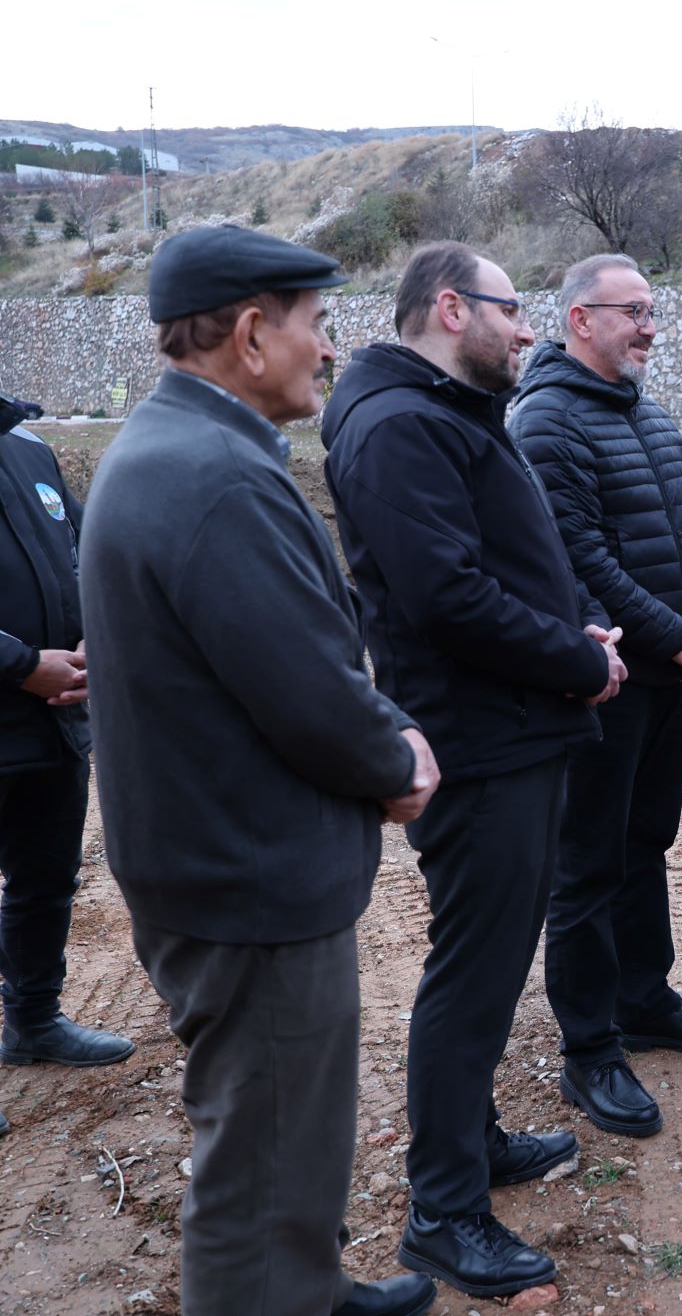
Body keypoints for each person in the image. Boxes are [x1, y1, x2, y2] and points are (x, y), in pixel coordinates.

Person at [81, 225, 439, 1316]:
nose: (327, 349)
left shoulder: (170, 448)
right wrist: (396, 756)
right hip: (249, 881)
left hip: (215, 863)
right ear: (248, 334)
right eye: (315, 325)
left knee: (284, 1133)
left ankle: (310, 1285)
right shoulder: (215, 476)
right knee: (261, 1164)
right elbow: (306, 688)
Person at [322, 241, 626, 1298]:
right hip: (480, 741)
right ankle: (444, 1213)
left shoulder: (443, 412)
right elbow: (446, 597)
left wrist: (580, 620)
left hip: (512, 729)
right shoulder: (399, 426)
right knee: (474, 972)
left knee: (491, 963)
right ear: (452, 308)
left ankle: (475, 1139)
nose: (529, 328)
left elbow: (502, 558)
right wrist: (578, 660)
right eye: (512, 308)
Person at [507, 253, 682, 1140]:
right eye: (633, 311)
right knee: (588, 864)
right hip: (607, 683)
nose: (649, 326)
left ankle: (644, 999)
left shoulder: (647, 412)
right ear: (580, 320)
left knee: (647, 842)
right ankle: (589, 1048)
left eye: (651, 309)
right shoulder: (546, 420)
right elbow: (580, 560)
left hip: (667, 676)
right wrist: (672, 635)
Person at [0, 387, 134, 1117]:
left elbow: (86, 551)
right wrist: (22, 664)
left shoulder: (28, 449)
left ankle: (33, 1019)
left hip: (52, 720)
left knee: (45, 878)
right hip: (25, 690)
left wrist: (95, 631)